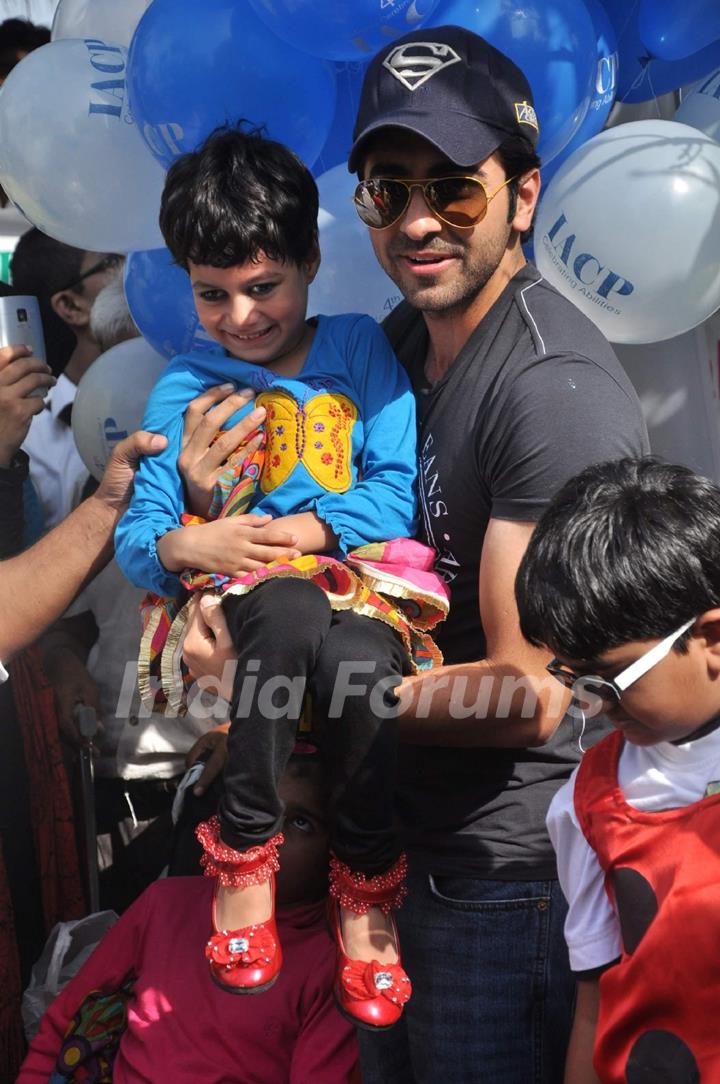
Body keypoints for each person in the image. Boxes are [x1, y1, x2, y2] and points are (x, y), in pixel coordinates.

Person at [182, 26, 649, 1083]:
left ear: (524, 195)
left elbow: (533, 696)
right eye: (387, 191)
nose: (419, 220)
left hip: (499, 870)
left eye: (456, 189)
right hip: (388, 861)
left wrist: (291, 692)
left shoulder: (549, 389)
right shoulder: (388, 352)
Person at [114, 124, 447, 1028]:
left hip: (361, 595)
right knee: (293, 606)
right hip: (253, 607)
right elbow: (140, 534)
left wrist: (299, 527)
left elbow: (393, 496)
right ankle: (246, 851)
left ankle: (366, 885)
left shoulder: (359, 349)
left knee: (361, 670)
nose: (241, 316)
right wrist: (196, 548)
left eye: (264, 287)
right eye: (212, 294)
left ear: (309, 262)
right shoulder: (184, 385)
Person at [515, 457, 720, 1084]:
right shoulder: (586, 805)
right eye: (574, 679)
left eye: (612, 677)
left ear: (712, 640)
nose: (594, 705)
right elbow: (594, 1002)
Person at [17, 753, 361, 1084]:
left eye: (301, 822)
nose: (272, 836)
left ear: (334, 849)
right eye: (260, 808)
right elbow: (61, 1023)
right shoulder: (165, 903)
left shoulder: (332, 962)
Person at [13, 229, 123, 527]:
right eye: (113, 261)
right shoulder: (22, 436)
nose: (131, 271)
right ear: (71, 306)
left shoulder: (173, 388)